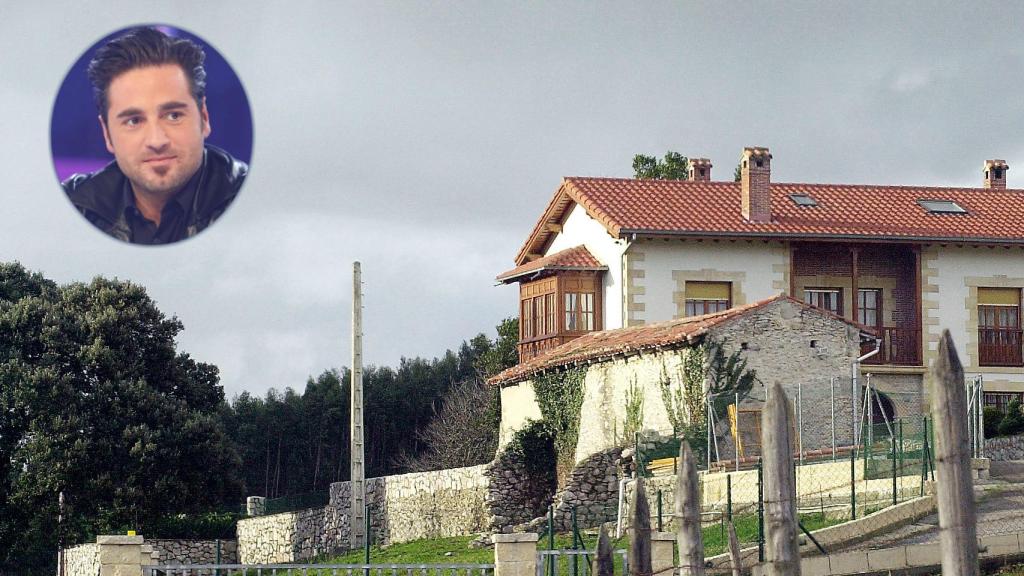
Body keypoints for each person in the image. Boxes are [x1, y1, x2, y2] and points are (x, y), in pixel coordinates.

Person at [63, 27, 247, 245]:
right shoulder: (74, 205)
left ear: (204, 118)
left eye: (173, 115)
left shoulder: (251, 200)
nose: (157, 141)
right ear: (107, 134)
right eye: (134, 121)